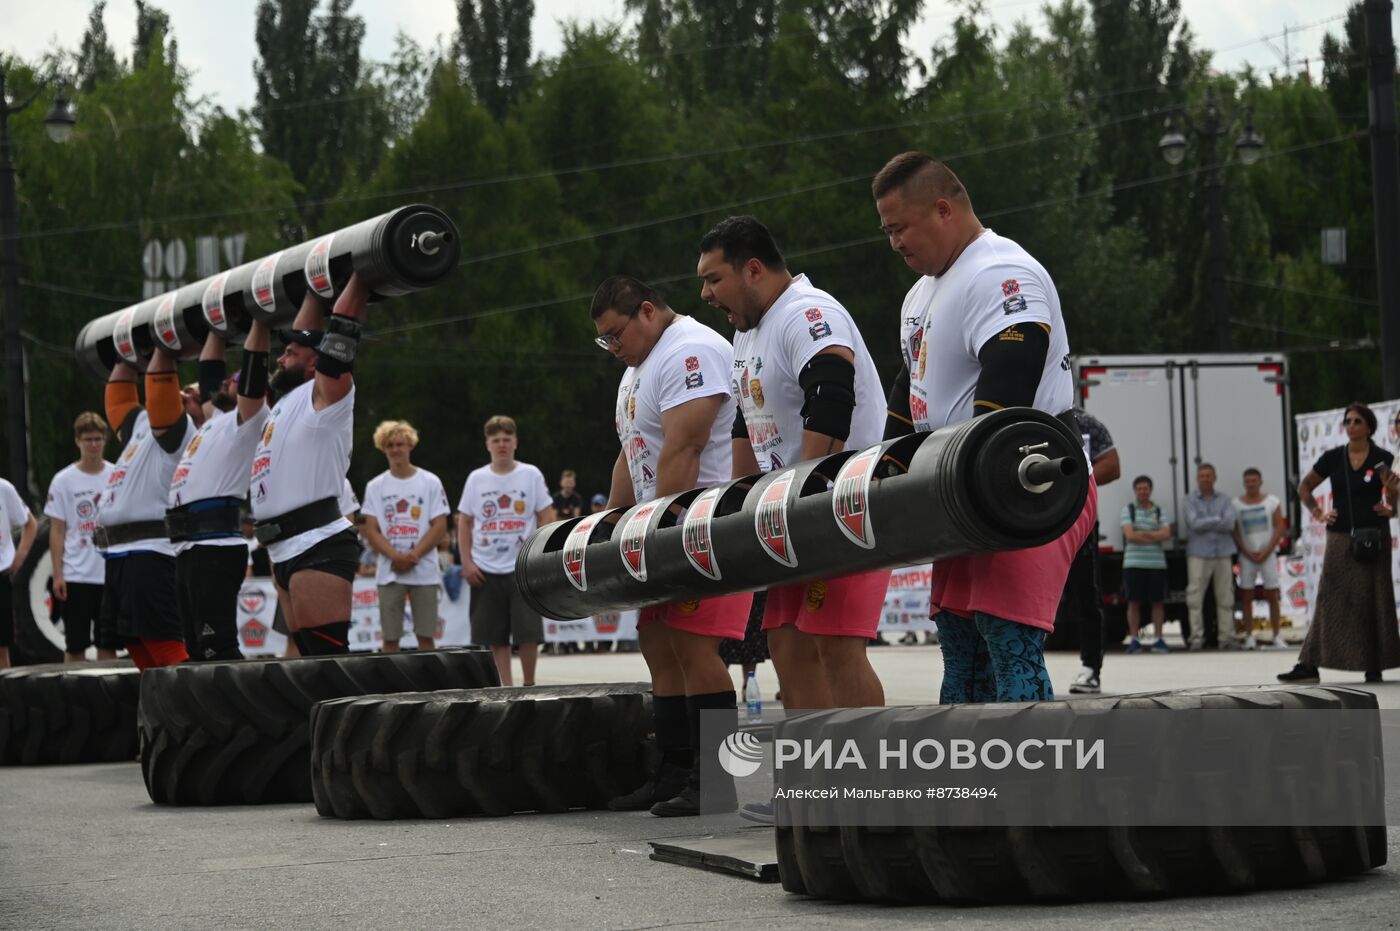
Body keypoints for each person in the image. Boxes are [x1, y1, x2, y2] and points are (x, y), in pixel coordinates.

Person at [872, 151, 1097, 703]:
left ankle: (1036, 788)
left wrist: (975, 483)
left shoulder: (999, 270)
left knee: (1007, 642)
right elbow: (911, 383)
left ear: (943, 210)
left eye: (899, 228)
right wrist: (891, 464)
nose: (894, 243)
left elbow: (1013, 374)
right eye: (887, 232)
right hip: (964, 487)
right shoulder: (921, 293)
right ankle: (969, 784)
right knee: (959, 644)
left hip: (1026, 482)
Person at [698, 215, 889, 712]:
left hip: (843, 505)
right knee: (787, 647)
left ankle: (867, 783)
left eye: (714, 279)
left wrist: (803, 499)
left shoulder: (806, 312)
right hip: (783, 514)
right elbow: (747, 420)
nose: (706, 294)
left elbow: (830, 395)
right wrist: (740, 504)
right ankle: (810, 781)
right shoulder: (747, 333)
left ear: (753, 270)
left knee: (837, 649)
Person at [590, 275, 750, 817]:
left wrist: (659, 532)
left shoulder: (692, 350)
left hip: (701, 525)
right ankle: (675, 772)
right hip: (656, 526)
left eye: (617, 335)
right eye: (604, 341)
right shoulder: (639, 368)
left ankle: (718, 781)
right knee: (658, 644)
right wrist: (610, 524)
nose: (613, 348)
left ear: (648, 312)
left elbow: (688, 445)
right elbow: (632, 450)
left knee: (693, 646)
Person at [250, 275, 371, 657]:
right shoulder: (286, 402)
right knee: (304, 662)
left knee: (326, 662)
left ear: (314, 361)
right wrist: (314, 291)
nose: (281, 356)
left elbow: (341, 336)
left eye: (290, 352)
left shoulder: (328, 394)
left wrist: (362, 273)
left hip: (317, 541)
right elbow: (307, 332)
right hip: (281, 547)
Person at [167, 325, 272, 662]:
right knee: (195, 647)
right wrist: (214, 326)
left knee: (217, 646)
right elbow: (209, 368)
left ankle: (240, 712)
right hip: (188, 546)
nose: (224, 383)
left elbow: (255, 367)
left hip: (215, 546)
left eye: (233, 382)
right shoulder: (216, 418)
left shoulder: (250, 420)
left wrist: (258, 322)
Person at [1280, 403, 1400, 683]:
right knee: (1328, 599)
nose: (1351, 425)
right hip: (1340, 537)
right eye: (1347, 421)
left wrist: (1391, 506)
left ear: (1369, 426)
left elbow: (1394, 494)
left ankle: (1374, 665)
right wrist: (1319, 513)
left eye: (1357, 421)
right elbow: (1305, 487)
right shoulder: (1333, 457)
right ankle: (1308, 664)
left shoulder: (1383, 457)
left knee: (1375, 599)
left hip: (1374, 536)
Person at [95, 344, 196, 669]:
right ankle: (160, 715)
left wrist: (162, 343)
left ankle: (185, 712)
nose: (184, 393)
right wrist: (127, 349)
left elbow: (160, 380)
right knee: (135, 643)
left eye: (192, 394)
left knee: (162, 643)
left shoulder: (178, 432)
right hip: (121, 555)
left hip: (150, 553)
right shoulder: (142, 426)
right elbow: (120, 396)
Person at [457, 416, 555, 686]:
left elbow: (546, 515)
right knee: (493, 635)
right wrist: (466, 562)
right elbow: (464, 522)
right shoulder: (477, 478)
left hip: (522, 567)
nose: (501, 444)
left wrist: (540, 555)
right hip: (485, 566)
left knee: (528, 633)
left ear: (515, 442)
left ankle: (529, 684)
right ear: (487, 444)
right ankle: (506, 686)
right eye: (496, 440)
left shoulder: (530, 474)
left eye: (506, 439)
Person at [361, 420, 450, 653]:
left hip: (424, 571)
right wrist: (395, 557)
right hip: (389, 573)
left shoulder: (430, 481)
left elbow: (440, 525)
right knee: (390, 640)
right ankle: (392, 689)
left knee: (426, 638)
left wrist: (413, 555)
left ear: (410, 445)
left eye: (400, 444)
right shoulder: (375, 486)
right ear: (383, 448)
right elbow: (371, 530)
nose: (395, 450)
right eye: (390, 445)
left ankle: (431, 688)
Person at [44, 412, 116, 663]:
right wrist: (58, 573)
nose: (93, 445)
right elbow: (57, 530)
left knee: (108, 642)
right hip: (76, 573)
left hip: (108, 571)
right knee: (75, 645)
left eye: (98, 439)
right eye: (88, 440)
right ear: (78, 441)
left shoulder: (116, 475)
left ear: (105, 440)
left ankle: (108, 697)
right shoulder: (63, 480)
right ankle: (74, 698)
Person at [1066, 406, 1120, 693]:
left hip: (1080, 523)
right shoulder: (1027, 414)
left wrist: (1072, 481)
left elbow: (1113, 465)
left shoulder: (1085, 422)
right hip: (1035, 523)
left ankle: (1091, 670)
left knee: (1088, 595)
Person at [1232, 467, 1287, 650]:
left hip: (1268, 553)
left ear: (1260, 482)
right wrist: (1246, 551)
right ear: (1244, 483)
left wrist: (1267, 550)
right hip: (1247, 555)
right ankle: (1249, 636)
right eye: (1247, 481)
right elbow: (1235, 531)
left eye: (1254, 481)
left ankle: (1277, 635)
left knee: (1272, 594)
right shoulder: (1236, 504)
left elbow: (1279, 527)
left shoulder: (1272, 502)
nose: (1251, 484)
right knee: (1247, 594)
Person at [1184, 463, 1238, 651]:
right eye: (1202, 476)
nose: (1206, 479)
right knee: (1195, 598)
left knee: (1225, 597)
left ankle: (1226, 637)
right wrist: (1217, 519)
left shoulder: (1225, 499)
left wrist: (1206, 521)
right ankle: (1196, 638)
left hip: (1223, 553)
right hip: (1198, 554)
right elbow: (1193, 523)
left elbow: (1230, 523)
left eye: (1209, 475)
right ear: (1198, 479)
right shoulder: (1189, 500)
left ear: (1214, 478)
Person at [1120, 475, 1172, 654]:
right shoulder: (1128, 510)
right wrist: (1153, 534)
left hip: (1157, 565)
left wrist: (1141, 534)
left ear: (1150, 490)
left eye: (1146, 488)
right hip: (1133, 564)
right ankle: (1134, 639)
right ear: (1136, 491)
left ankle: (1158, 639)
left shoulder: (1159, 511)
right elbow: (1130, 536)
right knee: (1133, 602)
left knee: (1158, 602)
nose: (1143, 492)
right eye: (1140, 489)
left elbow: (1166, 534)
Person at [0, 476, 37, 669]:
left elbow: (30, 524)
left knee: (1, 648)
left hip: (1, 576)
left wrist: (18, 557)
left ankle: (4, 698)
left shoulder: (3, 487)